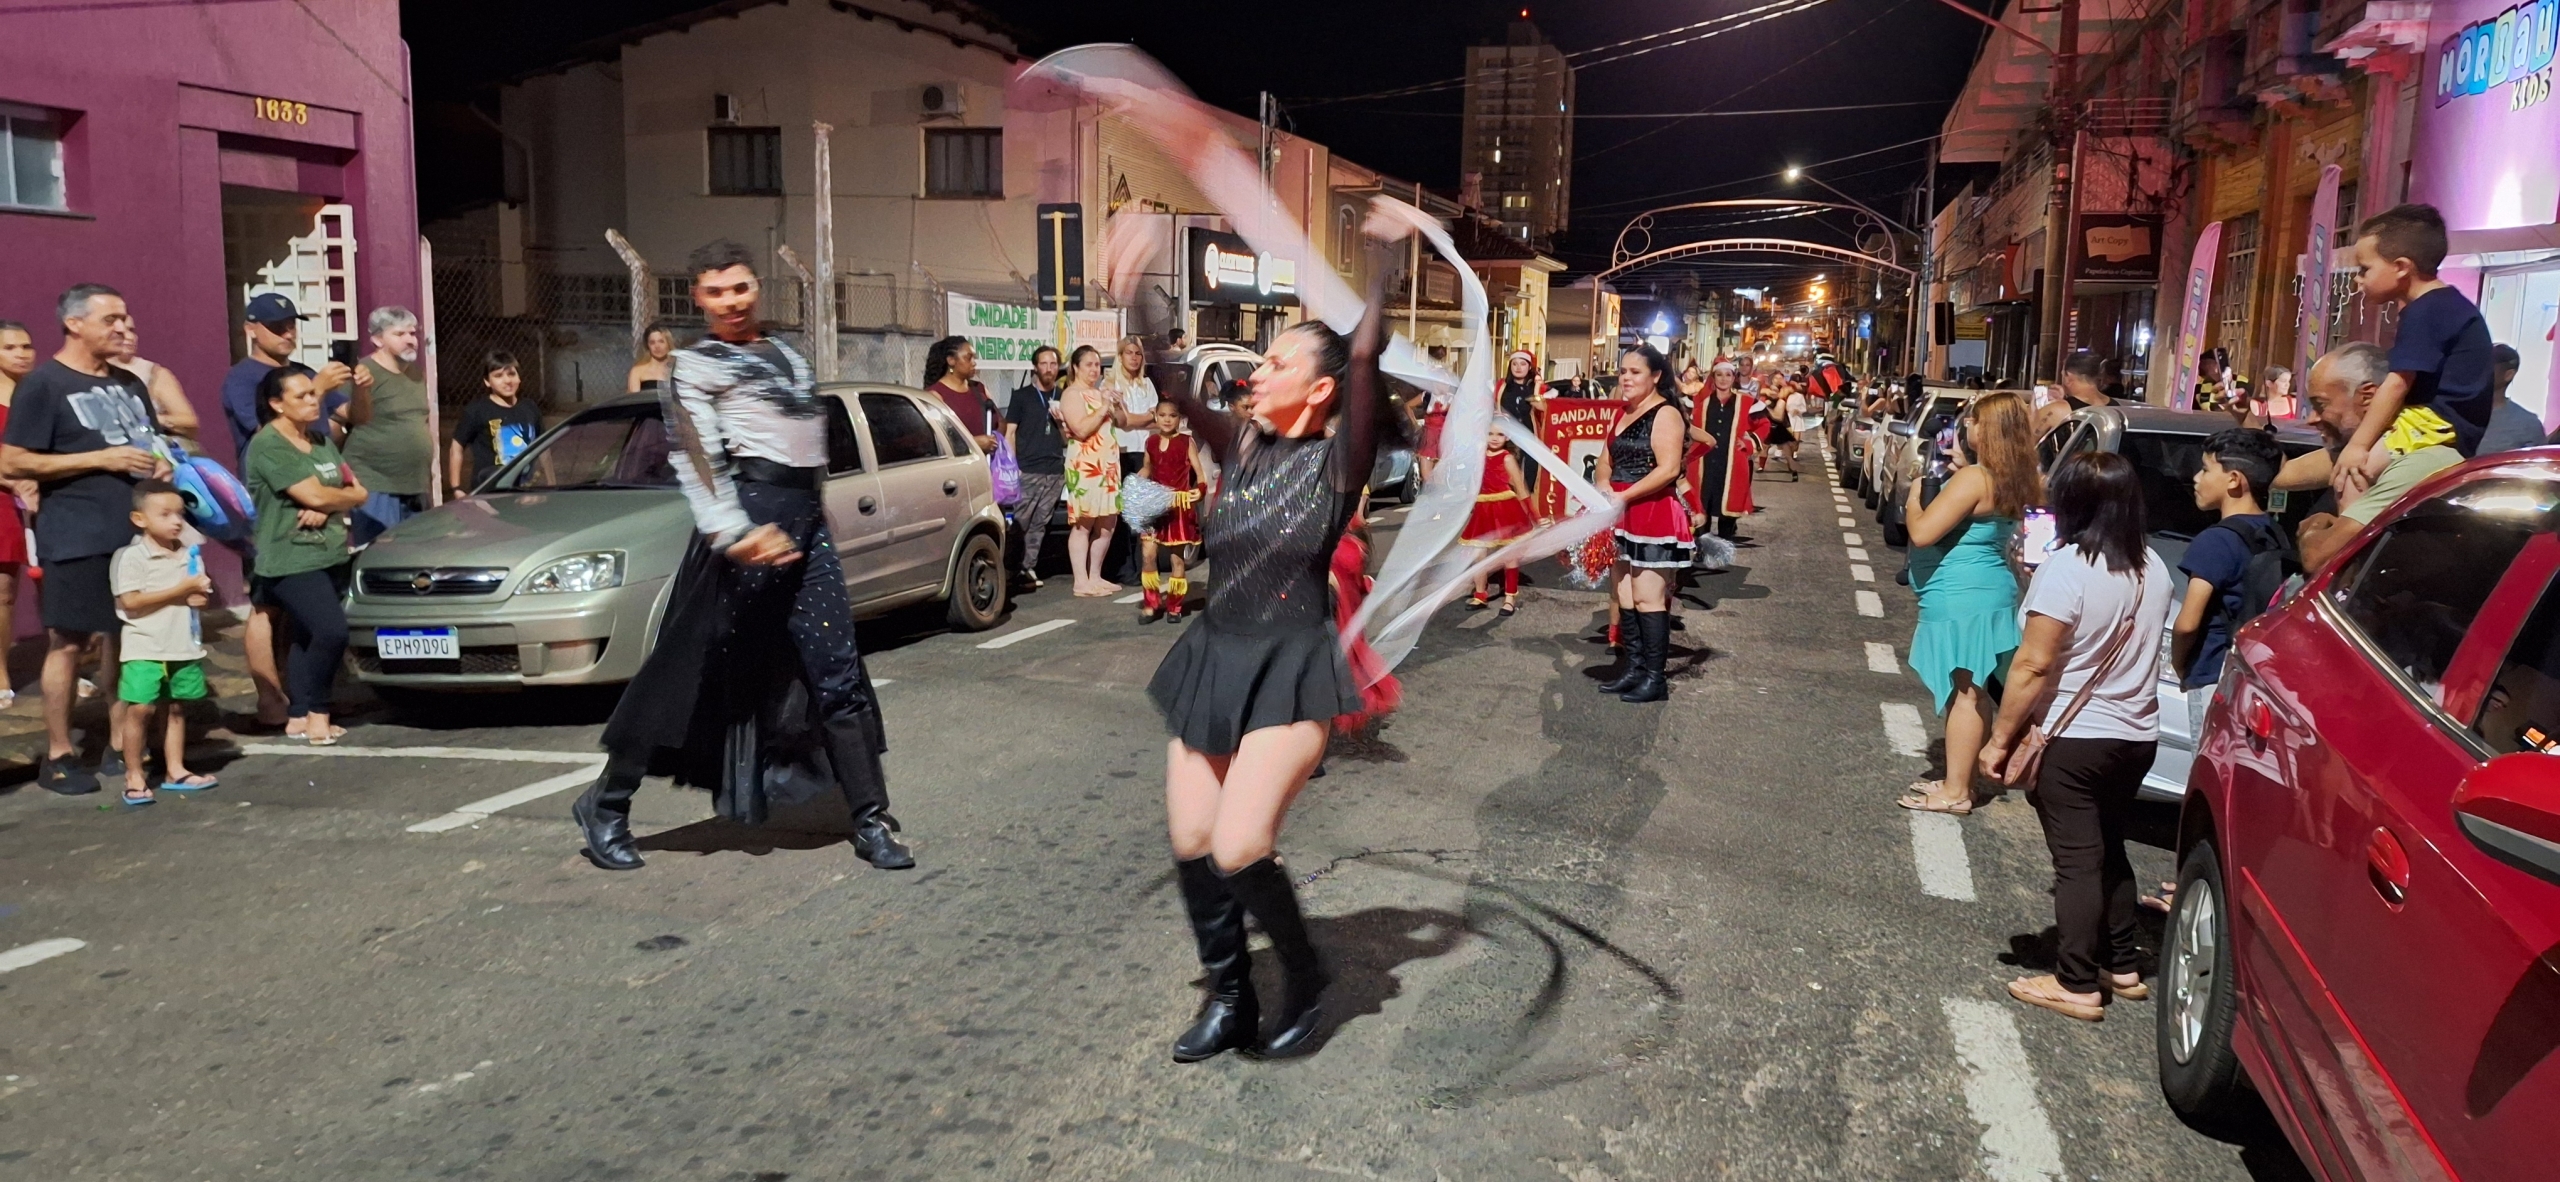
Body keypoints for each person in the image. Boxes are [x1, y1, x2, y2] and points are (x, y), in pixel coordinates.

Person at [571, 240, 911, 874]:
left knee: (837, 672)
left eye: (740, 287)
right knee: (690, 673)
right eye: (716, 291)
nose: (730, 302)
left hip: (805, 530)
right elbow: (695, 457)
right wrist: (733, 532)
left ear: (757, 287)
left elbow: (806, 451)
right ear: (697, 297)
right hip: (744, 532)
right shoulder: (694, 365)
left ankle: (870, 819)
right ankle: (606, 804)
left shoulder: (788, 353)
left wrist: (818, 516)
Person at [1146, 292, 1388, 1064]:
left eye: (1278, 362)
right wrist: (1136, 289)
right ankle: (1230, 998)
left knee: (1239, 845)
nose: (1258, 371)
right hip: (1215, 658)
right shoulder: (1242, 446)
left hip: (1288, 667)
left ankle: (1306, 979)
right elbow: (1172, 384)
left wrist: (1388, 263)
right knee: (1192, 839)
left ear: (1320, 389)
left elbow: (1365, 356)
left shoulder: (1337, 464)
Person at [1979, 451, 2175, 1022]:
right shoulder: (2154, 567)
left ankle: (2077, 981)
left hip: (2075, 737)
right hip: (2137, 735)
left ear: (2070, 502)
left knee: (2077, 862)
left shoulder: (2067, 567)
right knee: (2110, 845)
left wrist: (2000, 739)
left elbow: (2033, 664)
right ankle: (2122, 963)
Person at [0, 285, 173, 794]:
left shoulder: (129, 383)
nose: (122, 327)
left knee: (128, 638)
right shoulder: (44, 385)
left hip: (134, 532)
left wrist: (162, 462)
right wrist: (100, 458)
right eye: (110, 319)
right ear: (74, 324)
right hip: (76, 531)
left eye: (125, 318)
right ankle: (58, 755)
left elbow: (151, 441)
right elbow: (13, 460)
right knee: (70, 641)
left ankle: (122, 743)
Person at [217, 293, 358, 730]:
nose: (287, 332)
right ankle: (273, 699)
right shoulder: (243, 378)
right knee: (267, 608)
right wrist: (319, 389)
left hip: (317, 519)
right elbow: (267, 431)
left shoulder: (303, 378)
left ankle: (300, 706)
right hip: (274, 516)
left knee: (302, 624)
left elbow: (345, 428)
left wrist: (361, 387)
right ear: (251, 329)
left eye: (291, 324)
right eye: (276, 326)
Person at [1897, 392, 2041, 815]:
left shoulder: (1976, 478)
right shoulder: (2021, 477)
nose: (1967, 427)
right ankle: (1961, 782)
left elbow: (1923, 532)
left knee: (1965, 693)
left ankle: (1956, 791)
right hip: (1992, 589)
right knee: (1974, 691)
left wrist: (1913, 498)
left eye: (1974, 421)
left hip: (1962, 593)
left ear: (1988, 429)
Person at [2334, 203, 2498, 497]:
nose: (2358, 279)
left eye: (2365, 269)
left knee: (2352, 476)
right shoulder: (2440, 304)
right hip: (2433, 418)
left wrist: (2358, 445)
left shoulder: (2427, 310)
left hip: (2434, 422)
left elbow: (2398, 383)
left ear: (2401, 267)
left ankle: (2349, 527)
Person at [244, 365, 362, 746]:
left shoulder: (320, 440)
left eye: (314, 393)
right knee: (332, 631)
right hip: (290, 556)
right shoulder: (268, 445)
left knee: (304, 634)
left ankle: (297, 714)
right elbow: (313, 494)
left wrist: (327, 506)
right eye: (302, 396)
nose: (314, 401)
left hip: (329, 552)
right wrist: (327, 499)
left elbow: (358, 491)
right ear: (277, 404)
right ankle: (318, 713)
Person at [2281, 342, 2461, 572]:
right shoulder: (2360, 454)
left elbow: (2319, 557)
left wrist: (2315, 528)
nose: (2312, 419)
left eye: (2321, 404)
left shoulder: (2419, 460)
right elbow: (2280, 474)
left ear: (2367, 396)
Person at [1595, 345, 1694, 704]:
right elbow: (1604, 462)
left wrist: (1624, 496)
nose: (1626, 378)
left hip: (1653, 512)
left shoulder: (1666, 413)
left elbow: (1668, 470)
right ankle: (1634, 669)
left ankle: (1655, 679)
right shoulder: (1621, 412)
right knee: (1624, 595)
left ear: (1656, 376)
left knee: (1647, 597)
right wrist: (1604, 487)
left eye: (1635, 372)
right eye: (1623, 371)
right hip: (1621, 513)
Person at [111, 479, 218, 805]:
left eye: (180, 514)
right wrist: (182, 590)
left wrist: (199, 598)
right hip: (145, 645)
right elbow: (131, 601)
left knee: (175, 707)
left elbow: (199, 599)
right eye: (165, 514)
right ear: (139, 519)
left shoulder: (189, 556)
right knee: (140, 708)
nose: (176, 521)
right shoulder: (131, 557)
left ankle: (176, 769)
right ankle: (134, 774)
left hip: (181, 644)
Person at [2170, 428, 2282, 731]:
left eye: (2206, 469)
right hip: (2254, 676)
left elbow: (2187, 623)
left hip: (2213, 675)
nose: (2196, 478)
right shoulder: (2273, 532)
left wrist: (2181, 665)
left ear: (2234, 479)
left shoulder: (2216, 540)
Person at [339, 306, 433, 546]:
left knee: (415, 554)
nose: (410, 340)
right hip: (376, 485)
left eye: (412, 333)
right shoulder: (363, 373)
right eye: (400, 334)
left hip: (415, 485)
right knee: (379, 552)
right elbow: (335, 423)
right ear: (378, 339)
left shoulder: (416, 374)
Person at [1060, 345, 1126, 597]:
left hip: (1108, 467)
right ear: (1075, 367)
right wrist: (1103, 407)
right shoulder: (1072, 394)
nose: (1094, 369)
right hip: (1086, 467)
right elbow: (1081, 429)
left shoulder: (1100, 393)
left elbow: (1123, 422)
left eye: (1097, 364)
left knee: (1108, 523)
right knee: (1084, 523)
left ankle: (1096, 576)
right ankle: (1081, 581)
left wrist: (1117, 404)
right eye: (1088, 364)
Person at [1137, 401, 1208, 624]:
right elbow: (1147, 467)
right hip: (1155, 506)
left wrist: (1200, 489)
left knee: (1177, 560)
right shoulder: (1150, 442)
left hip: (1178, 506)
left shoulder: (1186, 442)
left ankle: (1174, 606)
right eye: (1162, 415)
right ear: (1156, 417)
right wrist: (1135, 482)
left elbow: (1200, 473)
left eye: (1172, 415)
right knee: (1148, 555)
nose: (1167, 419)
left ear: (1179, 418)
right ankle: (1151, 604)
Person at [1004, 345, 1068, 589]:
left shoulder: (1063, 396)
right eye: (1044, 364)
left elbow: (1067, 439)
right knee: (1019, 522)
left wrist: (1061, 422)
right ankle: (1007, 568)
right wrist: (1014, 466)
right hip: (1028, 469)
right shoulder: (1021, 396)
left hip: (1054, 470)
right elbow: (1010, 432)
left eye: (1053, 364)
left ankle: (1027, 568)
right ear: (1035, 367)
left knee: (1040, 523)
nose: (1049, 369)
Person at [0, 321, 39, 709]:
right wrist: (14, 482)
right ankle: (0, 673)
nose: (21, 354)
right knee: (3, 590)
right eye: (10, 347)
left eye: (26, 346)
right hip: (3, 499)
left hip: (46, 497)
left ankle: (66, 665)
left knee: (53, 587)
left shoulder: (41, 393)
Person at [447, 350, 542, 499]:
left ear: (519, 377)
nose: (507, 381)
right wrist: (456, 488)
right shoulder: (477, 410)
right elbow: (456, 447)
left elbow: (543, 447)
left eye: (511, 374)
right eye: (498, 376)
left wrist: (550, 483)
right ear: (487, 381)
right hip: (490, 492)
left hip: (526, 491)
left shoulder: (530, 407)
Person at [1460, 427, 1532, 616]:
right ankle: (1480, 594)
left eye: (1500, 434)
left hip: (1505, 509)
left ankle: (1509, 598)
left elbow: (1520, 488)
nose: (1494, 438)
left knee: (1510, 554)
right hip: (1483, 510)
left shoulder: (1507, 458)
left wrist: (1534, 514)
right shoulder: (1478, 456)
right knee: (1478, 554)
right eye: (1490, 433)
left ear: (1507, 436)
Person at [1689, 361, 1754, 540]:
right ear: (1713, 377)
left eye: (1728, 375)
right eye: (1719, 375)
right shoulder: (1700, 401)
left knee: (1728, 509)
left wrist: (1748, 444)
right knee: (1702, 504)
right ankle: (1702, 546)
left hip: (1731, 462)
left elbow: (1763, 424)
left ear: (1734, 378)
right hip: (1703, 461)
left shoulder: (1746, 401)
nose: (1723, 379)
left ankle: (1726, 544)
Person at [923, 335, 1000, 454]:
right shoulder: (935, 395)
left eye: (974, 358)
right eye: (968, 358)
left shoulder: (980, 389)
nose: (974, 363)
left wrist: (994, 440)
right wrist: (973, 443)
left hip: (989, 462)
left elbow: (1000, 423)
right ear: (951, 360)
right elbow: (936, 440)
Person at [2478, 343, 2548, 452]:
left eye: (2486, 366)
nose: (2476, 371)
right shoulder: (2455, 413)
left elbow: (2537, 461)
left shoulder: (2528, 425)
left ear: (2508, 375)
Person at [2036, 350, 2113, 437]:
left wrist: (2035, 404)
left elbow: (2028, 439)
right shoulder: (2118, 407)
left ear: (2068, 377)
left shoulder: (2057, 410)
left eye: (2063, 374)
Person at [626, 323, 675, 393]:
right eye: (652, 343)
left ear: (668, 343)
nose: (657, 346)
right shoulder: (638, 371)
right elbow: (634, 398)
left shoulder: (679, 370)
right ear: (648, 346)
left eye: (661, 341)